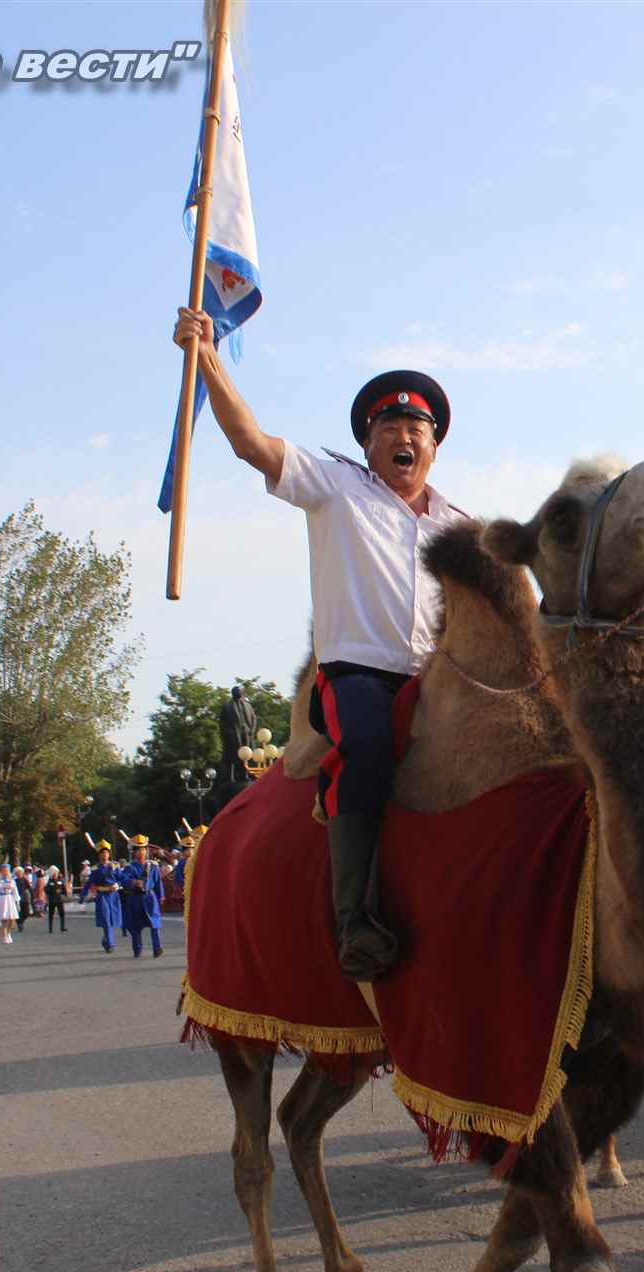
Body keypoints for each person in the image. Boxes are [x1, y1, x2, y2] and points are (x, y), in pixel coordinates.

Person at [175, 307, 468, 982]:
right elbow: (251, 443)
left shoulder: (459, 526)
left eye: (416, 428)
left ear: (434, 446)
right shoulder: (336, 486)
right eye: (389, 427)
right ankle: (354, 921)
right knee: (365, 745)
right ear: (367, 443)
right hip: (356, 675)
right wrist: (208, 358)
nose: (403, 437)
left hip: (436, 680)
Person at [118, 834, 165, 959]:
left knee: (155, 923)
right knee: (135, 927)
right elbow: (123, 881)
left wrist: (161, 896)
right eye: (139, 850)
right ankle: (137, 948)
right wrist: (133, 882)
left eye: (144, 849)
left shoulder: (153, 866)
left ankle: (157, 948)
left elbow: (158, 882)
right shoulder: (129, 867)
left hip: (150, 897)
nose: (142, 852)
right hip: (135, 899)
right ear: (134, 852)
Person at [77, 840, 124, 953]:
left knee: (112, 920)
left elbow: (123, 878)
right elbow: (89, 883)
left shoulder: (115, 866)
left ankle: (106, 939)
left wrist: (118, 885)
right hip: (102, 896)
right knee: (106, 919)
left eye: (106, 852)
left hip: (113, 895)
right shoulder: (95, 869)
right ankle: (111, 943)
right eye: (102, 852)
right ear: (99, 854)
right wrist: (82, 895)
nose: (105, 854)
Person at [0, 864, 19, 944]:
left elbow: (15, 891)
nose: (5, 872)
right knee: (4, 919)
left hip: (10, 899)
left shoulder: (12, 881)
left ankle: (8, 933)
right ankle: (4, 935)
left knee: (12, 918)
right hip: (2, 899)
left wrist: (17, 901)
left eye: (7, 871)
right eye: (4, 870)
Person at [44, 866, 68, 933]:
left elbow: (64, 889)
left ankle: (62, 927)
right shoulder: (49, 882)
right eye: (54, 873)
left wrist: (65, 894)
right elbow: (46, 890)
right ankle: (50, 928)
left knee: (62, 913)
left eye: (56, 873)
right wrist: (54, 891)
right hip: (52, 900)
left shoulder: (60, 880)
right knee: (51, 914)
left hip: (59, 900)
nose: (56, 874)